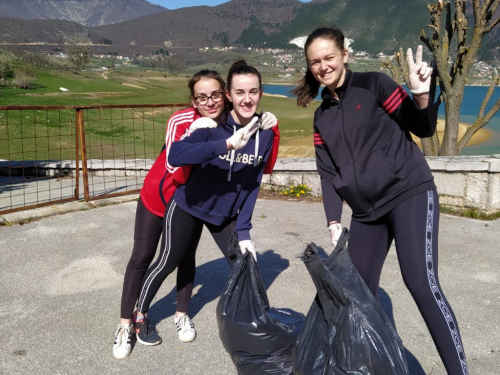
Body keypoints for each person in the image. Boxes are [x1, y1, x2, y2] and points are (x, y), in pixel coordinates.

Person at [292, 26, 469, 375]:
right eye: (315, 62)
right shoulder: (321, 116)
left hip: (408, 193)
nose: (323, 66)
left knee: (420, 282)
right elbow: (328, 175)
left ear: (345, 55)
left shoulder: (374, 85)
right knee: (354, 295)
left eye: (329, 57)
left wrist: (420, 95)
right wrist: (332, 220)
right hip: (365, 213)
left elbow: (423, 128)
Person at [113, 68, 280, 360]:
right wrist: (225, 143)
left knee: (237, 264)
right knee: (158, 259)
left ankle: (254, 326)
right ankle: (131, 319)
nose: (211, 101)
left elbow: (255, 178)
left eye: (216, 94)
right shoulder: (200, 124)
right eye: (203, 97)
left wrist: (244, 230)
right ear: (194, 100)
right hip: (168, 200)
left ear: (223, 95)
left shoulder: (256, 129)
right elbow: (174, 159)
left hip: (217, 210)